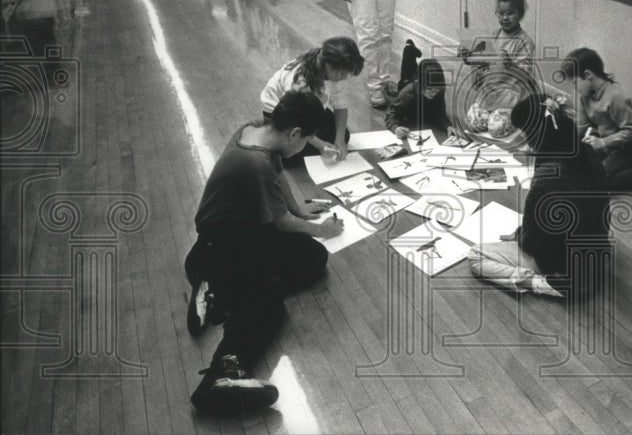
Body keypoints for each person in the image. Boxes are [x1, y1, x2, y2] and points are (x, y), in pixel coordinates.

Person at [183, 91, 345, 412]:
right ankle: (223, 372)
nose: (306, 143)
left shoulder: (257, 130)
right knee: (266, 300)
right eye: (308, 138)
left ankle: (212, 281)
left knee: (313, 258)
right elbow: (281, 224)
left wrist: (302, 214)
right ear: (295, 134)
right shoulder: (255, 161)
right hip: (226, 239)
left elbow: (279, 177)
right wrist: (321, 229)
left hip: (235, 231)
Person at [468, 92, 611, 298]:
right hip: (597, 252)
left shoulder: (548, 176)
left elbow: (535, 244)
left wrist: (520, 235)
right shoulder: (587, 151)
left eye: (526, 133)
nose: (525, 141)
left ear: (537, 135)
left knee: (476, 255)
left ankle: (543, 284)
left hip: (564, 267)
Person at [560, 47, 632, 189]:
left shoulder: (615, 97)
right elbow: (580, 128)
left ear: (588, 75)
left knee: (599, 183)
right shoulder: (584, 95)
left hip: (627, 147)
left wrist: (603, 143)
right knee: (579, 171)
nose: (574, 88)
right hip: (606, 145)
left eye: (574, 82)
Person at [260, 37, 364, 163]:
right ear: (326, 63)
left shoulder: (337, 75)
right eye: (341, 73)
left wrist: (340, 139)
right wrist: (320, 145)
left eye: (347, 74)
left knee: (344, 135)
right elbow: (294, 120)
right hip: (282, 116)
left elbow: (340, 106)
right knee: (289, 157)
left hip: (310, 109)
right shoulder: (299, 82)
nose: (343, 77)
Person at [459, 0, 536, 120]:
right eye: (501, 13)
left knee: (496, 128)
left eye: (510, 13)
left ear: (520, 14)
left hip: (510, 96)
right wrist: (468, 56)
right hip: (489, 92)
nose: (505, 18)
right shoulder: (493, 35)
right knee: (473, 122)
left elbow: (525, 76)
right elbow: (480, 62)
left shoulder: (525, 42)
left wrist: (510, 65)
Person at [385, 59, 459, 140]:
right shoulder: (407, 93)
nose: (434, 93)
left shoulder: (439, 91)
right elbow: (391, 115)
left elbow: (440, 113)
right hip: (409, 125)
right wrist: (395, 128)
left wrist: (448, 126)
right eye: (430, 89)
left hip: (428, 124)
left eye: (437, 89)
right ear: (418, 84)